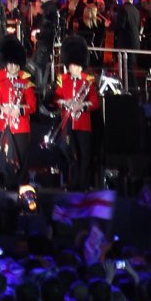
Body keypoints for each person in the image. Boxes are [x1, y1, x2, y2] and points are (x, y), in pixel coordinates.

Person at [0, 35, 36, 189]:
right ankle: (8, 182)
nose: (13, 68)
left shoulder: (26, 82)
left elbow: (32, 105)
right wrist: (2, 107)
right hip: (5, 123)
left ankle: (21, 183)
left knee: (21, 157)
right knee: (5, 156)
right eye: (10, 64)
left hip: (21, 125)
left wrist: (19, 110)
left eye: (15, 65)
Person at [55, 35, 100, 189]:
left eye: (77, 65)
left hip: (83, 124)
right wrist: (65, 103)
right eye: (72, 65)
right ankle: (72, 183)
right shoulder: (63, 79)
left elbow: (95, 102)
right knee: (71, 156)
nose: (74, 68)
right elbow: (57, 98)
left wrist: (82, 106)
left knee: (84, 156)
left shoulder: (88, 80)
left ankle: (83, 183)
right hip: (67, 123)